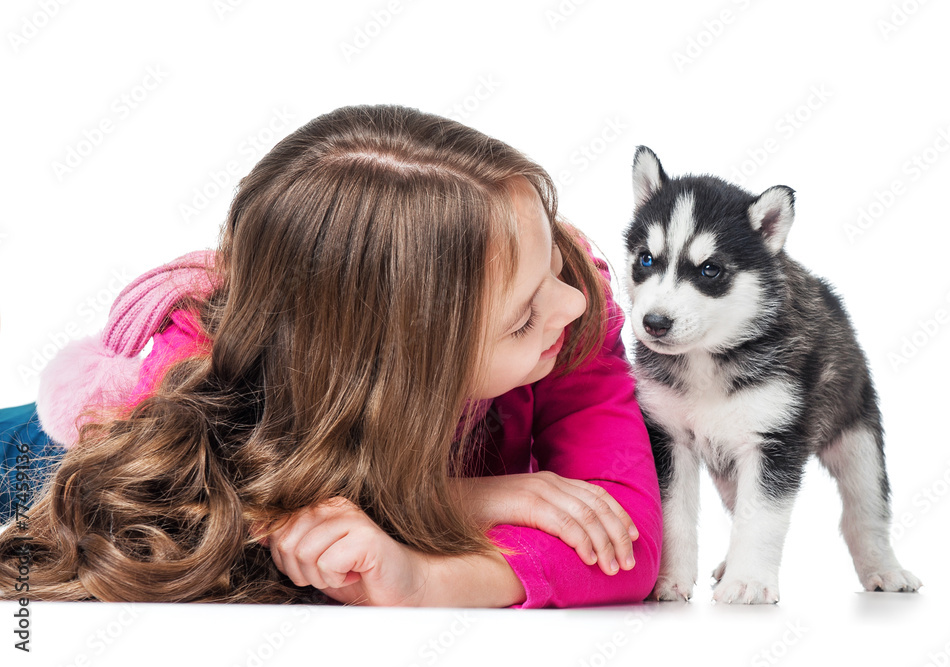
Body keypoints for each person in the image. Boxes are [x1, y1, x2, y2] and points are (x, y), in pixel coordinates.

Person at [0, 105, 662, 607]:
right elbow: (193, 516)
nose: (571, 306)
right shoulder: (196, 365)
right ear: (394, 367)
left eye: (550, 262)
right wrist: (462, 499)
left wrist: (422, 579)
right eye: (522, 318)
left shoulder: (569, 309)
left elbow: (622, 542)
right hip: (53, 456)